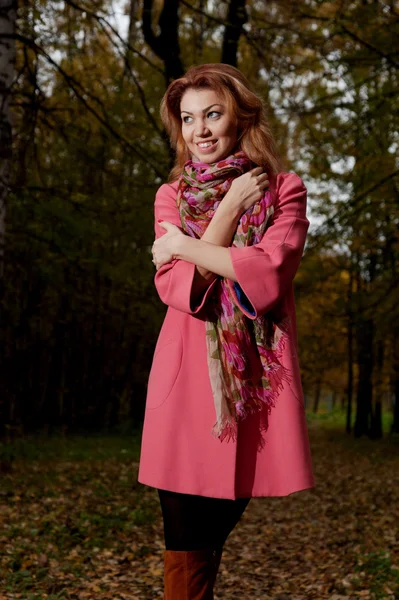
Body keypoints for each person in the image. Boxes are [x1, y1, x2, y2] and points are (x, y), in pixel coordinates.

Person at [138, 63, 315, 599]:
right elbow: (183, 292)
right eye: (188, 119)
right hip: (184, 372)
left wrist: (182, 246)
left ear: (240, 117)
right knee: (181, 524)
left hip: (252, 383)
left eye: (213, 113)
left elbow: (269, 271)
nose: (201, 130)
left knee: (215, 519)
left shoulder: (286, 189)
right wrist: (233, 206)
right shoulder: (170, 196)